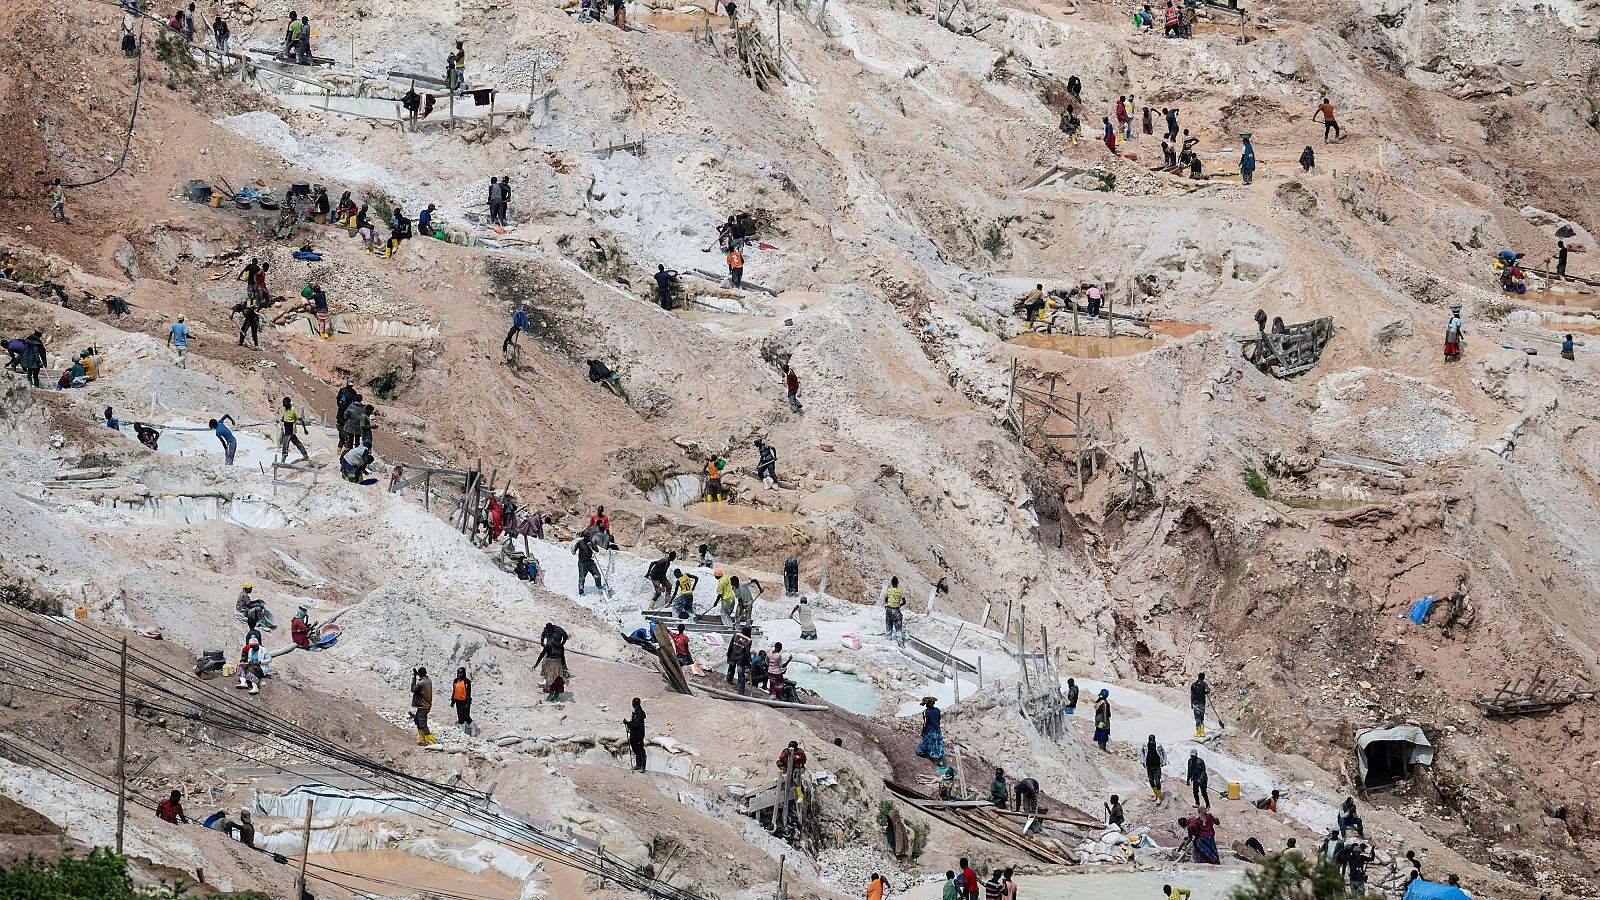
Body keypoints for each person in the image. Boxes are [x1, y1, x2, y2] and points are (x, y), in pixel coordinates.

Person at [535, 622, 570, 700]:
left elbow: (562, 657)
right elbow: (542, 654)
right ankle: (550, 694)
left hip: (558, 666)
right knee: (550, 680)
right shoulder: (549, 646)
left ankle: (556, 696)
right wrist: (536, 664)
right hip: (550, 665)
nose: (557, 643)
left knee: (558, 681)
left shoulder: (560, 646)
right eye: (557, 642)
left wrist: (564, 666)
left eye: (559, 642)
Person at [277, 396, 310, 463]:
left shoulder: (294, 410)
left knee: (285, 443)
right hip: (287, 429)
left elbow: (300, 419)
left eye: (285, 403)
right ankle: (305, 455)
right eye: (283, 403)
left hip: (291, 430)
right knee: (297, 442)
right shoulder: (285, 409)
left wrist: (305, 429)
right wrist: (280, 420)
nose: (283, 405)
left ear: (288, 403)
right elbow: (283, 418)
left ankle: (283, 460)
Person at [573, 529, 604, 595]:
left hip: (590, 562)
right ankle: (581, 589)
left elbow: (597, 550)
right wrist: (574, 551)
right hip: (582, 563)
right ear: (584, 537)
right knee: (582, 577)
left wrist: (592, 545)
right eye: (586, 537)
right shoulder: (580, 542)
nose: (587, 538)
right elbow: (575, 548)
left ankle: (599, 586)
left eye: (588, 537)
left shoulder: (591, 542)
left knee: (597, 575)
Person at [411, 667, 435, 745]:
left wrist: (414, 678)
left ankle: (431, 742)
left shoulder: (422, 683)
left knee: (423, 724)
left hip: (423, 706)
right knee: (417, 720)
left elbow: (413, 689)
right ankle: (422, 740)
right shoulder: (428, 681)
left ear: (420, 674)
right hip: (425, 705)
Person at [915, 696, 943, 761]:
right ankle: (939, 755)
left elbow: (926, 723)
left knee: (927, 741)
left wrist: (923, 730)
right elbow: (939, 718)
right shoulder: (937, 710)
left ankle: (927, 754)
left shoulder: (926, 712)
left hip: (930, 730)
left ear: (927, 704)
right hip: (937, 729)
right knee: (937, 742)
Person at [726, 625, 753, 694]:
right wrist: (747, 663)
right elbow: (747, 653)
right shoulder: (749, 640)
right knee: (741, 675)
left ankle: (728, 681)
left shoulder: (736, 635)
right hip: (740, 659)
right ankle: (740, 691)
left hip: (733, 656)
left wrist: (728, 655)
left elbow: (731, 646)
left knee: (731, 669)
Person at [1142, 734, 1167, 802]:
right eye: (1151, 741)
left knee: (1158, 781)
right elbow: (1142, 752)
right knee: (1151, 781)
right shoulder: (1145, 746)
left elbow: (1164, 753)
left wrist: (1164, 761)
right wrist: (1143, 761)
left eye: (1153, 741)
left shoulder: (1158, 745)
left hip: (1157, 766)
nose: (1152, 742)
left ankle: (1159, 797)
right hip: (1149, 766)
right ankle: (1156, 794)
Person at [883, 576, 907, 643]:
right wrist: (899, 605)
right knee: (898, 628)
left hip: (888, 610)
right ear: (897, 583)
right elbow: (904, 602)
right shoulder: (900, 592)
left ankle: (888, 640)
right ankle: (900, 643)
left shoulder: (889, 591)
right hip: (896, 610)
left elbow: (886, 600)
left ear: (891, 583)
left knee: (888, 626)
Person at [625, 698, 647, 771]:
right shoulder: (634, 712)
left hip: (639, 734)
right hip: (633, 733)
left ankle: (642, 766)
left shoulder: (640, 713)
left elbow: (636, 723)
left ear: (634, 704)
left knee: (640, 750)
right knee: (635, 748)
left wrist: (628, 723)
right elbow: (633, 722)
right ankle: (638, 765)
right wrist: (629, 725)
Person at [1190, 672, 1209, 737]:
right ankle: (1202, 732)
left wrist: (1191, 703)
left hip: (1195, 704)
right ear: (1203, 678)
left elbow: (1192, 695)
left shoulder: (1193, 685)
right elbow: (1208, 691)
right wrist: (1205, 692)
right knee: (1201, 718)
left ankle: (1198, 733)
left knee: (1197, 719)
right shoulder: (1204, 684)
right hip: (1202, 704)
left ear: (1198, 677)